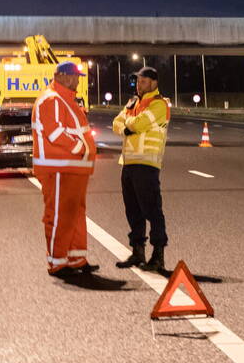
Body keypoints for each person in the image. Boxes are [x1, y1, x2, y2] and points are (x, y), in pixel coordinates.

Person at [32, 62, 99, 277]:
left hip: (73, 168)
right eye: (74, 76)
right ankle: (58, 262)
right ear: (61, 76)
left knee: (75, 214)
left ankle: (76, 258)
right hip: (59, 167)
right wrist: (80, 148)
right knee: (60, 215)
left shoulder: (65, 99)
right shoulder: (52, 99)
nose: (77, 80)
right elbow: (55, 132)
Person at [113, 67, 171, 273]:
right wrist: (128, 125)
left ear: (154, 83)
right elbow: (116, 123)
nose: (139, 85)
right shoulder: (133, 102)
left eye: (144, 81)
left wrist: (129, 124)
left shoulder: (159, 104)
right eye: (138, 81)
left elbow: (139, 124)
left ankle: (158, 255)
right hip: (128, 164)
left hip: (147, 164)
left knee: (152, 211)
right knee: (133, 211)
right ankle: (138, 252)